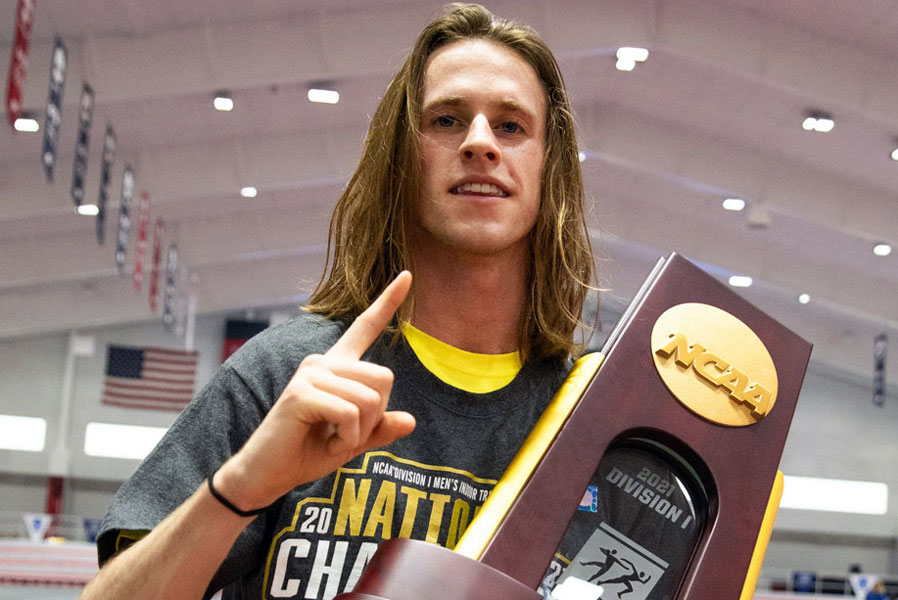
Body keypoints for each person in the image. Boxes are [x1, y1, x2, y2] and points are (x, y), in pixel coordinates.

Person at [82, 3, 595, 599]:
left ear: (548, 165)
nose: (480, 142)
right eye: (448, 121)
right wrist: (244, 487)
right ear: (402, 157)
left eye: (511, 126)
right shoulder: (287, 374)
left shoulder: (590, 419)